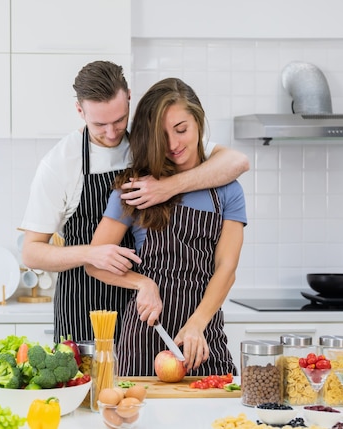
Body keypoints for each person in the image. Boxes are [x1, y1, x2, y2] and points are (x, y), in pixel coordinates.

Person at [20, 61, 249, 344]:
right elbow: (31, 253)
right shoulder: (60, 164)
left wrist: (167, 188)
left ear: (129, 97)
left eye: (119, 120)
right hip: (87, 305)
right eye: (99, 125)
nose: (113, 133)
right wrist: (91, 254)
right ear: (80, 111)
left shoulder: (152, 138)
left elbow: (237, 162)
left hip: (148, 311)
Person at [84, 77, 246, 377]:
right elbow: (95, 263)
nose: (173, 145)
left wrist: (198, 322)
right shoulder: (134, 189)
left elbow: (226, 267)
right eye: (162, 135)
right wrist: (142, 283)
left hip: (204, 333)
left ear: (198, 121)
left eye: (181, 129)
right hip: (146, 332)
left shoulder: (227, 190)